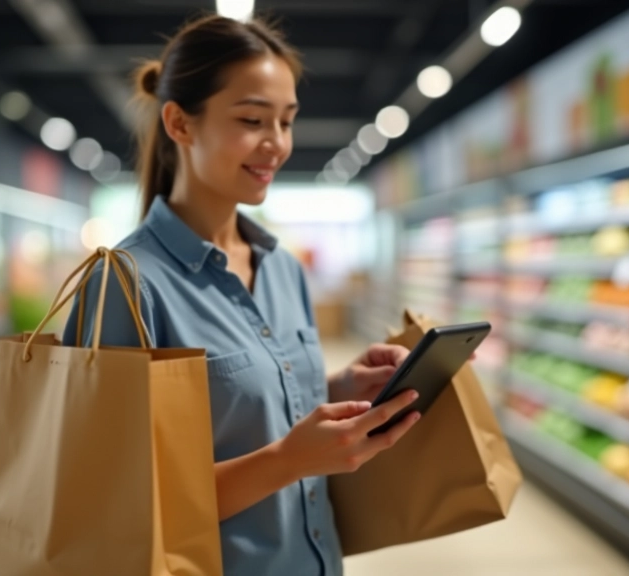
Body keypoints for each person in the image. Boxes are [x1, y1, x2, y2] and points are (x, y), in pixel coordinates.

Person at [64, 15, 422, 576]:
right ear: (180, 124)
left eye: (287, 121)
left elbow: (235, 407)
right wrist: (288, 461)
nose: (276, 144)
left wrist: (338, 387)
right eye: (253, 119)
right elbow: (114, 503)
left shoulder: (283, 269)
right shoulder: (126, 286)